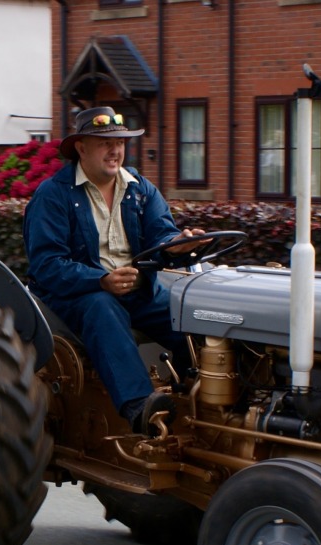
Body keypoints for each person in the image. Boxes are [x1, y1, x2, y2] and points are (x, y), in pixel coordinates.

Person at [23, 106, 205, 433]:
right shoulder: (53, 195)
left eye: (120, 142)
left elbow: (160, 235)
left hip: (139, 291)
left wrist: (177, 245)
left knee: (189, 311)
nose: (115, 150)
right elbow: (47, 266)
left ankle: (198, 391)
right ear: (81, 147)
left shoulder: (139, 188)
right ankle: (141, 408)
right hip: (79, 296)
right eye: (105, 142)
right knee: (102, 309)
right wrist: (101, 280)